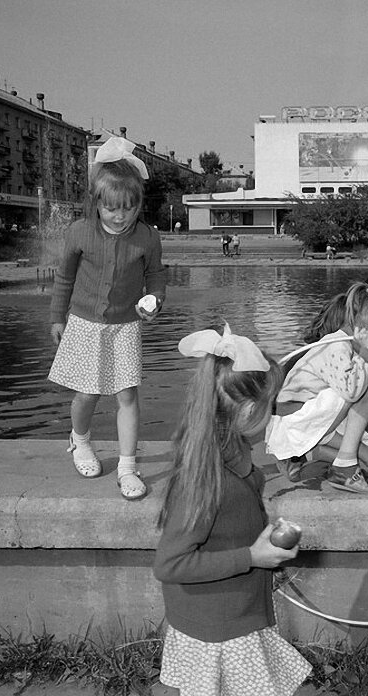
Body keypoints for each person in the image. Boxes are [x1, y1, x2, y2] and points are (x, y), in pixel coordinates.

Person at [154, 325, 311, 695]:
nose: (273, 413)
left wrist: (262, 538)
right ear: (249, 409)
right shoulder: (205, 481)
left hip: (233, 615)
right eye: (270, 406)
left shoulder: (233, 450)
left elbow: (231, 519)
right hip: (219, 628)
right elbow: (170, 564)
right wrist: (251, 556)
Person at [48, 136, 166, 501]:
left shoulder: (147, 238)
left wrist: (155, 300)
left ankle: (128, 467)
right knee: (87, 393)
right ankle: (80, 440)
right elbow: (64, 277)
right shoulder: (80, 232)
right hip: (84, 323)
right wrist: (57, 317)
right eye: (112, 208)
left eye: (128, 208)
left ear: (138, 205)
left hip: (125, 326)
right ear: (96, 203)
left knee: (126, 395)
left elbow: (156, 276)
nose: (120, 215)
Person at [265, 278, 368, 495]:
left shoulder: (348, 346)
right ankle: (343, 468)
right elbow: (353, 390)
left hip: (310, 422)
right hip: (293, 423)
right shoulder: (336, 345)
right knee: (367, 388)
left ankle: (314, 456)